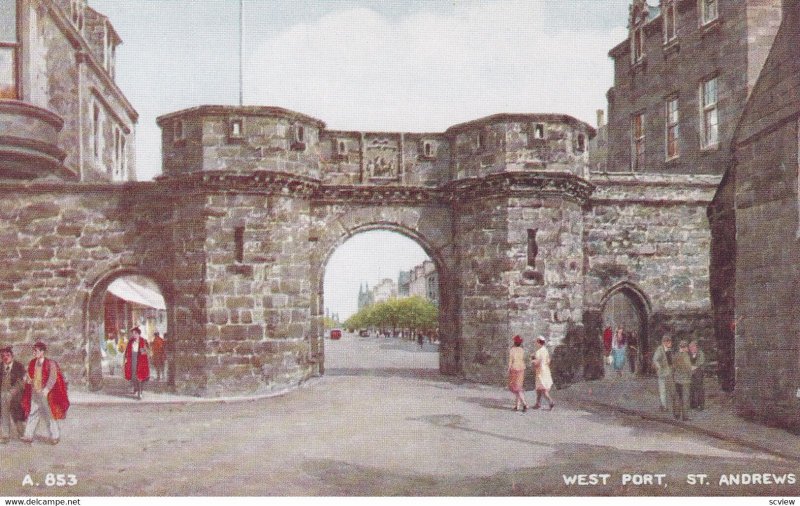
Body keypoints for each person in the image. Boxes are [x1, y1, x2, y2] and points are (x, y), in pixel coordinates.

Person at [21, 342, 69, 445]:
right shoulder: (32, 362)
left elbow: (53, 378)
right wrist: (27, 379)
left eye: (36, 351)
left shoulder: (51, 363)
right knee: (33, 412)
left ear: (42, 352)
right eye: (34, 351)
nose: (34, 353)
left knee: (50, 414)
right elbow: (29, 375)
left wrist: (46, 390)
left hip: (46, 393)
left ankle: (55, 436)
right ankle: (28, 435)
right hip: (35, 391)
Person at [0, 346, 26, 443]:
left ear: (12, 356)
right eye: (3, 356)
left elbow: (21, 382)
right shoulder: (0, 366)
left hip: (16, 394)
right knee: (4, 404)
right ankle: (5, 435)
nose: (5, 357)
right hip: (3, 394)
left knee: (16, 409)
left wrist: (12, 391)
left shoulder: (18, 366)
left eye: (8, 355)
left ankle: (22, 432)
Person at [124, 327, 150, 399]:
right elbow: (127, 351)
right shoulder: (131, 341)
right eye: (133, 334)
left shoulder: (143, 341)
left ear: (139, 334)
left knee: (140, 376)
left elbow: (146, 352)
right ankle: (136, 388)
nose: (134, 335)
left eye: (135, 333)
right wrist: (126, 359)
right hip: (132, 359)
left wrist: (144, 351)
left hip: (141, 360)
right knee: (133, 375)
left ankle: (140, 392)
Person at [531, 336, 554, 410]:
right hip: (546, 371)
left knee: (543, 389)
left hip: (540, 372)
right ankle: (538, 404)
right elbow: (548, 361)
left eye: (536, 342)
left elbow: (536, 363)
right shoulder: (545, 350)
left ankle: (551, 402)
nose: (535, 343)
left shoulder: (538, 352)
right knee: (539, 388)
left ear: (538, 342)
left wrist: (532, 359)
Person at [507, 335, 529, 412]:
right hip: (521, 369)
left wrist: (508, 369)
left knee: (517, 389)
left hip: (515, 369)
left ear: (514, 342)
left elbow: (510, 361)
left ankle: (525, 404)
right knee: (518, 388)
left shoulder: (512, 350)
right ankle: (517, 406)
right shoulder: (522, 350)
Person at [672, 340, 693, 421]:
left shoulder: (676, 355)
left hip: (677, 379)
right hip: (685, 380)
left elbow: (673, 367)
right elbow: (688, 368)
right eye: (687, 347)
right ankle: (685, 416)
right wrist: (691, 374)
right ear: (684, 348)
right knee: (685, 398)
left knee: (677, 397)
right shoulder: (686, 356)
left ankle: (677, 414)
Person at [652, 336, 674, 412]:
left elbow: (671, 360)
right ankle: (664, 406)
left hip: (669, 372)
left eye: (670, 342)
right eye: (669, 342)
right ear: (665, 342)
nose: (671, 343)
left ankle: (669, 405)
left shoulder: (669, 349)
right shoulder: (660, 349)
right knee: (663, 390)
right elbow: (655, 359)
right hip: (662, 373)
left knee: (670, 389)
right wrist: (659, 367)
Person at [689, 340, 706, 410]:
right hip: (691, 372)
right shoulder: (690, 354)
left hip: (699, 371)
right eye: (690, 347)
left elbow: (701, 362)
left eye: (693, 347)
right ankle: (693, 404)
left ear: (696, 347)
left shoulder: (700, 353)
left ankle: (701, 405)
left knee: (699, 388)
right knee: (692, 388)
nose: (691, 349)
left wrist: (694, 367)